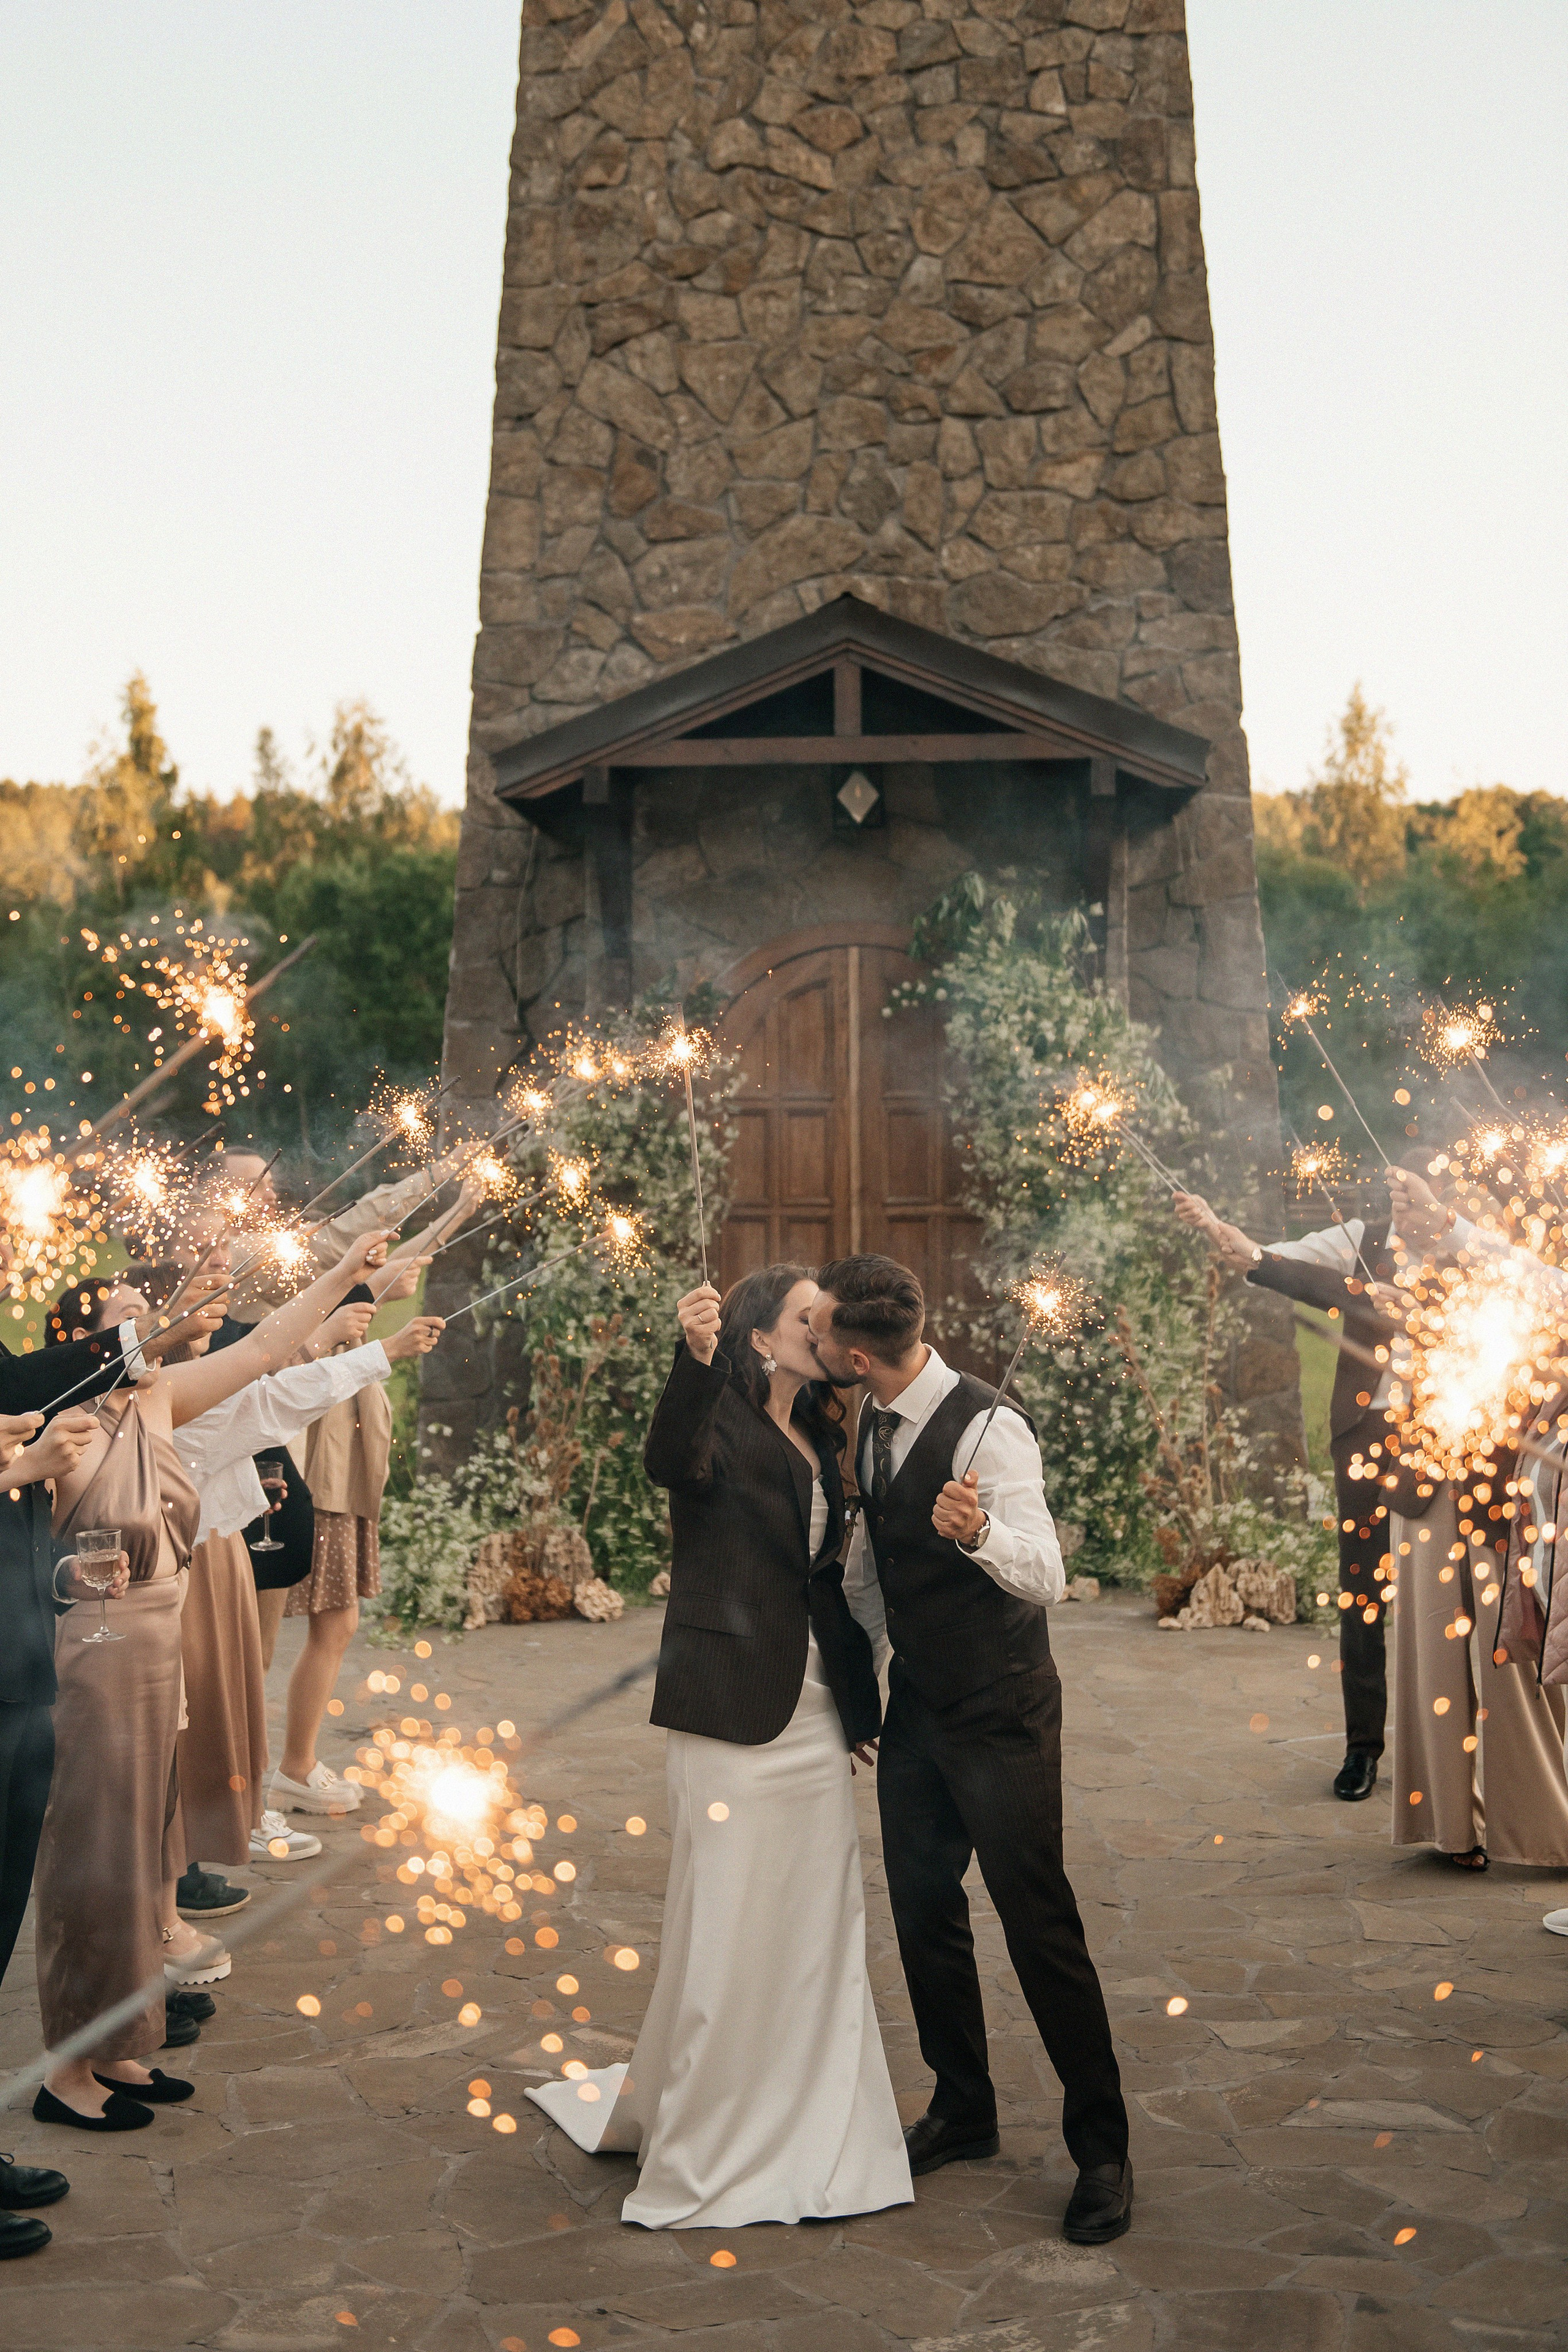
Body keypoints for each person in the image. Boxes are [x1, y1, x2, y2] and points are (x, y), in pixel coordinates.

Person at [527, 1264, 911, 2230]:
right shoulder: (714, 1420)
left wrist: (860, 1704)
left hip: (815, 1708)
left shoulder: (824, 1428)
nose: (823, 1326)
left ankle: (816, 2120)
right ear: (756, 1335)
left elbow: (823, 1583)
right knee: (729, 1925)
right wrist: (690, 1360)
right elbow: (667, 1459)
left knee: (816, 1925)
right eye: (806, 1315)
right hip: (731, 1709)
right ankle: (712, 2138)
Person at [31, 1231, 396, 2132]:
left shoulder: (155, 1402)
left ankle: (121, 2045)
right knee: (97, 1860)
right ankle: (67, 2070)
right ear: (77, 1344)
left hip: (159, 1640)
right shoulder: (54, 1423)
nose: (146, 1330)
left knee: (153, 1842)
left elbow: (266, 1350)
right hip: (96, 1651)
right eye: (124, 1321)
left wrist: (345, 1274)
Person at [807, 1254, 1133, 2248]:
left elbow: (1048, 1576)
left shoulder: (994, 1428)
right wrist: (847, 1683)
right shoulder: (871, 1418)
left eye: (821, 1333)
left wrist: (983, 1527)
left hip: (1003, 1717)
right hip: (919, 1716)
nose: (814, 1344)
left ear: (859, 1353)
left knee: (1039, 1924)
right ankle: (964, 2107)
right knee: (922, 1913)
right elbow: (872, 1573)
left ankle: (1106, 2151)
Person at [1171, 1183, 1405, 1801]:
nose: (1409, 1213)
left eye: (1420, 1201)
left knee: (1456, 1597)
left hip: (1449, 1437)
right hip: (1367, 1436)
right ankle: (1362, 1749)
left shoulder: (1474, 1253)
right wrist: (1212, 1220)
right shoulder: (1363, 1238)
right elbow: (1262, 1257)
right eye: (1399, 1199)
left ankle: (1457, 1745)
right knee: (1363, 1591)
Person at [266, 1180, 480, 1817]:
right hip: (309, 1457)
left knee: (337, 1619)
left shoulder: (330, 1270)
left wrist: (460, 1210)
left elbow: (399, 1269)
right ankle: (261, 1778)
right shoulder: (287, 1271)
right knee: (270, 1630)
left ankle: (293, 1767)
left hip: (343, 1456)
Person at [1379, 1168, 1568, 1871]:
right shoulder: (1423, 1279)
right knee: (1433, 1650)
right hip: (1428, 1484)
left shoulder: (1534, 1281)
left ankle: (1545, 1827)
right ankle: (1450, 1827)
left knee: (1511, 1662)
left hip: (1505, 1497)